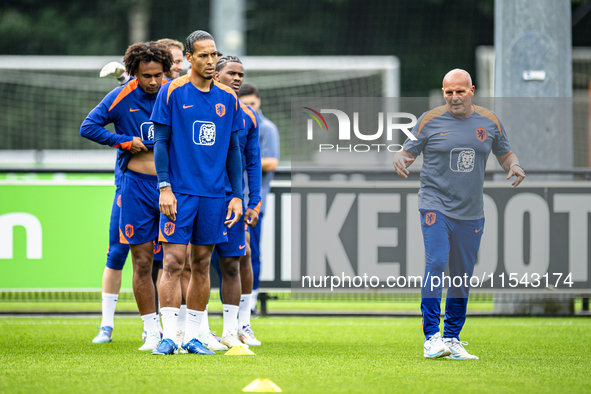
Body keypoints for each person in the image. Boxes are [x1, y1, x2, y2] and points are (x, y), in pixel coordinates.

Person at [392, 69, 526, 360]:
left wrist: (513, 165)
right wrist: (400, 159)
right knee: (437, 262)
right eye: (448, 92)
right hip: (435, 205)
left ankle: (452, 338)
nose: (454, 97)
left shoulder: (489, 121)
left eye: (459, 92)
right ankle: (431, 337)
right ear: (443, 92)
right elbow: (408, 152)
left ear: (472, 91)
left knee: (462, 276)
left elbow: (505, 154)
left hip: (471, 211)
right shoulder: (429, 119)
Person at [151, 30, 245, 356]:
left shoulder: (229, 99)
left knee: (203, 263)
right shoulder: (172, 92)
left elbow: (234, 150)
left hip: (215, 195)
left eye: (214, 55)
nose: (210, 61)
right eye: (203, 55)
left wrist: (237, 194)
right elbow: (160, 143)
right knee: (173, 262)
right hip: (179, 192)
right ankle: (169, 336)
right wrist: (164, 186)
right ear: (188, 58)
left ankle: (192, 336)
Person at [81, 41, 174, 351]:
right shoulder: (120, 96)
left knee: (178, 261)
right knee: (140, 261)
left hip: (171, 187)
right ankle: (150, 331)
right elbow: (88, 126)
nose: (153, 82)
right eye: (146, 76)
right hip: (134, 186)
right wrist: (123, 141)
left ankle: (184, 329)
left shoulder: (173, 92)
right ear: (134, 73)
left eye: (158, 75)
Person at [204, 56, 262, 348]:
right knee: (195, 264)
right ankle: (198, 330)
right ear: (216, 74)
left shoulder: (247, 116)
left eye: (241, 74)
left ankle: (236, 328)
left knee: (234, 262)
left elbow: (253, 162)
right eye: (232, 73)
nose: (238, 78)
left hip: (233, 201)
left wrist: (255, 200)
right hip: (200, 197)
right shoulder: (198, 107)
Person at [238, 84, 280, 314]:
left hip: (252, 201)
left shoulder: (266, 128)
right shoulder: (235, 123)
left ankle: (250, 303)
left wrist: (240, 159)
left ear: (259, 102)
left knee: (250, 251)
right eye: (245, 104)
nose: (249, 108)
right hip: (228, 199)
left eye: (252, 103)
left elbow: (272, 162)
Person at [100, 38, 184, 84]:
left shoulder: (179, 89)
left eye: (181, 62)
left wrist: (123, 78)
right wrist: (123, 77)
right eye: (177, 62)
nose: (181, 67)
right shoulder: (138, 90)